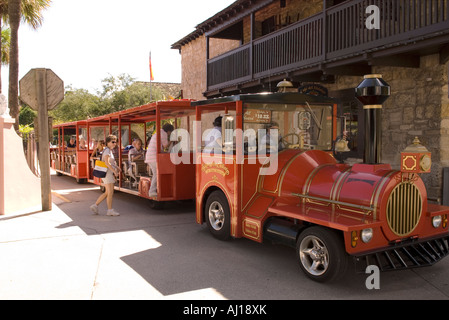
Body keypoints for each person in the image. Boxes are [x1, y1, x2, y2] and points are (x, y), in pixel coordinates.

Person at [90, 135, 121, 216]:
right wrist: (114, 171)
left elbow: (110, 162)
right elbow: (107, 163)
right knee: (110, 192)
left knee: (107, 192)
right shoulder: (107, 151)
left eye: (115, 141)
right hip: (108, 173)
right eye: (113, 142)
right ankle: (110, 210)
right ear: (108, 142)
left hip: (107, 173)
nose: (115, 143)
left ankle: (95, 205)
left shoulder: (108, 150)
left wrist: (117, 167)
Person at [145, 123, 174, 197]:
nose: (169, 134)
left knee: (156, 174)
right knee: (157, 174)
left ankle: (153, 190)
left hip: (150, 156)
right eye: (170, 132)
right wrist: (172, 141)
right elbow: (165, 145)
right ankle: (152, 191)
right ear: (169, 131)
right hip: (153, 157)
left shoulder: (158, 132)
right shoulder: (163, 134)